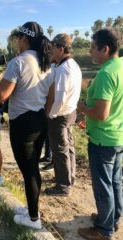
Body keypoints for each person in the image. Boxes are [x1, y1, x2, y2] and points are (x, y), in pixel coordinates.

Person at [0, 21, 52, 229]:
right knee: (32, 169)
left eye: (17, 37)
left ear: (24, 39)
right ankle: (31, 209)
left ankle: (33, 219)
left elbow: (0, 97)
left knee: (29, 171)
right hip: (40, 120)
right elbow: (51, 95)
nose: (16, 41)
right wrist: (44, 115)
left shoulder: (19, 62)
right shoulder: (45, 62)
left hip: (22, 124)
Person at [77, 28, 123, 240]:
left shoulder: (106, 73)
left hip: (103, 139)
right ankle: (111, 219)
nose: (90, 51)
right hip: (117, 136)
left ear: (105, 49)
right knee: (114, 182)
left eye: (93, 47)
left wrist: (83, 108)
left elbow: (101, 113)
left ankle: (104, 231)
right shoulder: (120, 66)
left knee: (103, 186)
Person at [44, 33, 82, 196]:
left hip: (60, 115)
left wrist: (50, 114)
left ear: (61, 49)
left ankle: (63, 185)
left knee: (59, 150)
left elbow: (59, 99)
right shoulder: (73, 65)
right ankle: (69, 177)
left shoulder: (62, 70)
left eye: (53, 48)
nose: (51, 51)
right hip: (71, 112)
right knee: (69, 147)